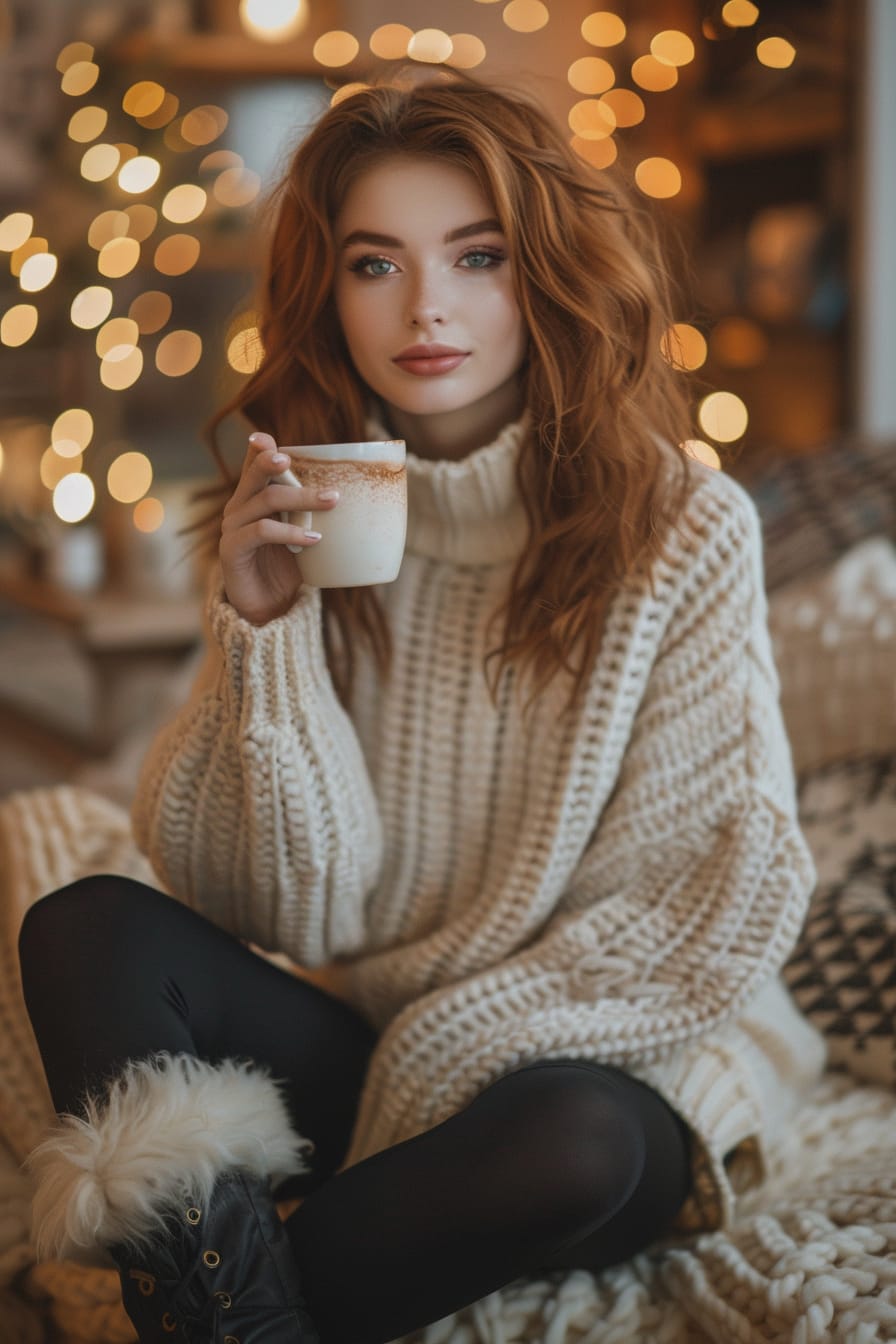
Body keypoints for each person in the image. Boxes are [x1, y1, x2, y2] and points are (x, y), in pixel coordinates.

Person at [18, 72, 826, 1344]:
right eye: (374, 263)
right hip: (372, 1031)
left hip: (607, 1057)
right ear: (326, 293)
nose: (425, 307)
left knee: (567, 1137)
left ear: (542, 271)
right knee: (88, 930)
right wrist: (265, 635)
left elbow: (691, 908)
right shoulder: (304, 518)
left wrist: (433, 1065)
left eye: (476, 255)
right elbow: (279, 905)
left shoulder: (680, 529)